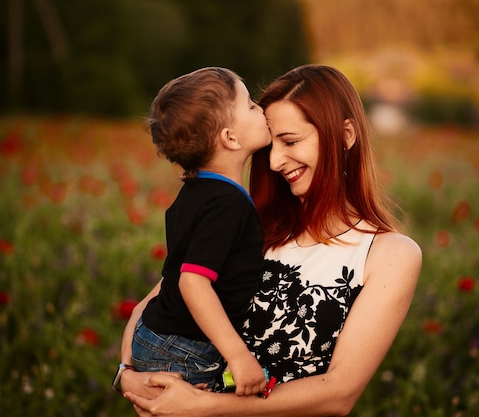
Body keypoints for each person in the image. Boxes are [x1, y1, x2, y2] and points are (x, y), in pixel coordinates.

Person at [120, 64, 422, 417]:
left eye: (291, 142)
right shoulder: (252, 226)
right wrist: (126, 377)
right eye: (270, 146)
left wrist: (205, 407)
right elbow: (157, 302)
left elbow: (339, 393)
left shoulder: (389, 254)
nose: (276, 161)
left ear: (346, 135)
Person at [115, 67, 272, 397]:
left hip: (162, 333)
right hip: (183, 348)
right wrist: (238, 356)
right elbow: (193, 280)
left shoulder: (196, 191)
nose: (261, 107)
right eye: (250, 105)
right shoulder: (227, 204)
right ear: (230, 138)